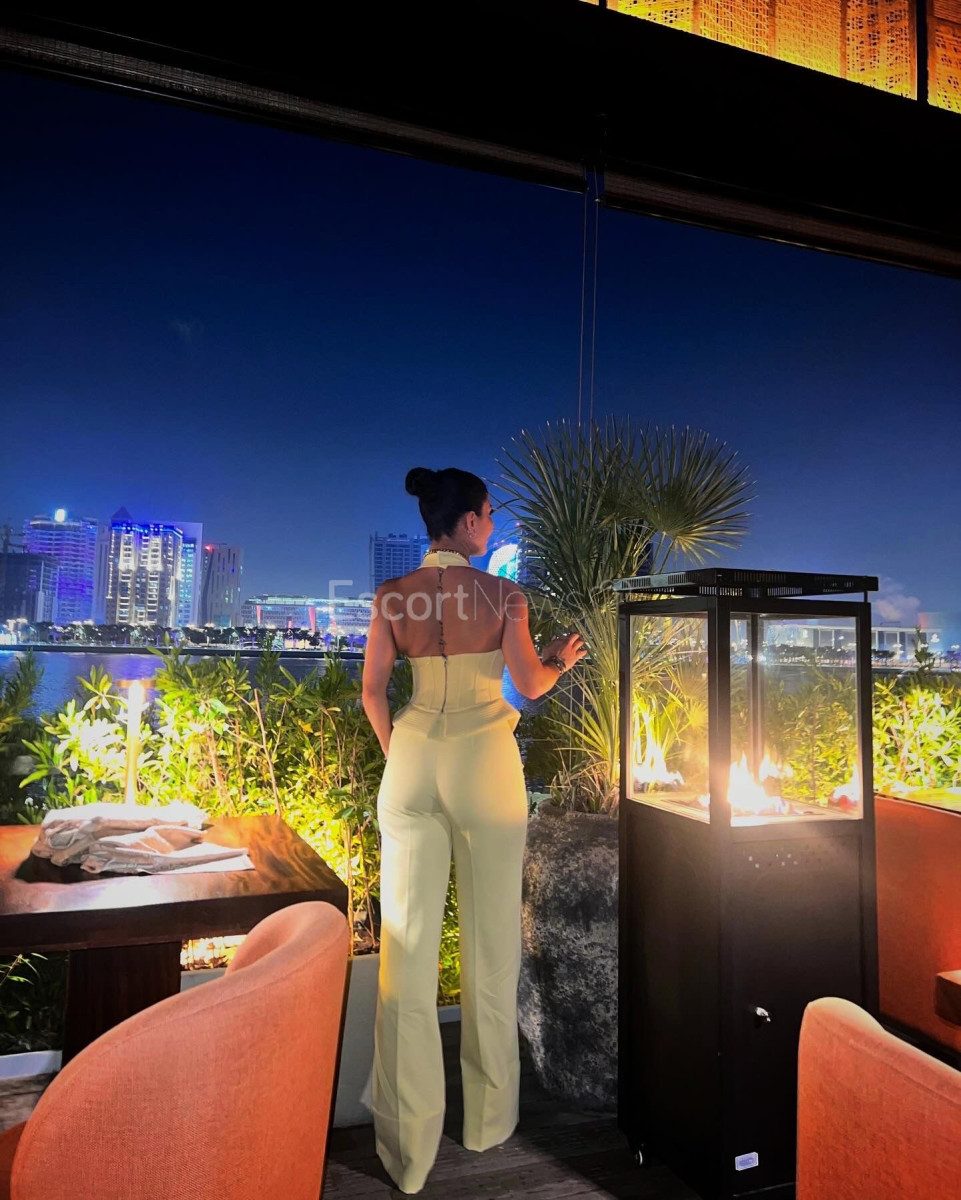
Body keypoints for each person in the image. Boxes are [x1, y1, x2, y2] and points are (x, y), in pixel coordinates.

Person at [361, 466, 586, 1194]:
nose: (491, 525)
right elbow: (532, 682)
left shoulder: (391, 595)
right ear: (465, 523)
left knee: (405, 952)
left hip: (412, 760)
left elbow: (373, 692)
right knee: (490, 948)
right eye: (488, 515)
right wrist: (558, 660)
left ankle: (407, 1148)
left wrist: (400, 753)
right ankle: (487, 1123)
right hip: (484, 762)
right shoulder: (503, 596)